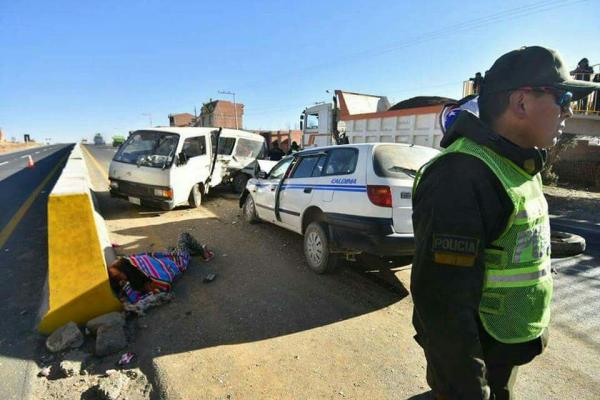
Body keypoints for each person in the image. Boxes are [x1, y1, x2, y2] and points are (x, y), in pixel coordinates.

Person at [411, 46, 600, 400]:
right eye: (562, 97)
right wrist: (471, 389)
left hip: (503, 346)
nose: (570, 110)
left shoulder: (520, 164)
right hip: (475, 361)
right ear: (521, 102)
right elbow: (442, 304)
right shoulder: (461, 175)